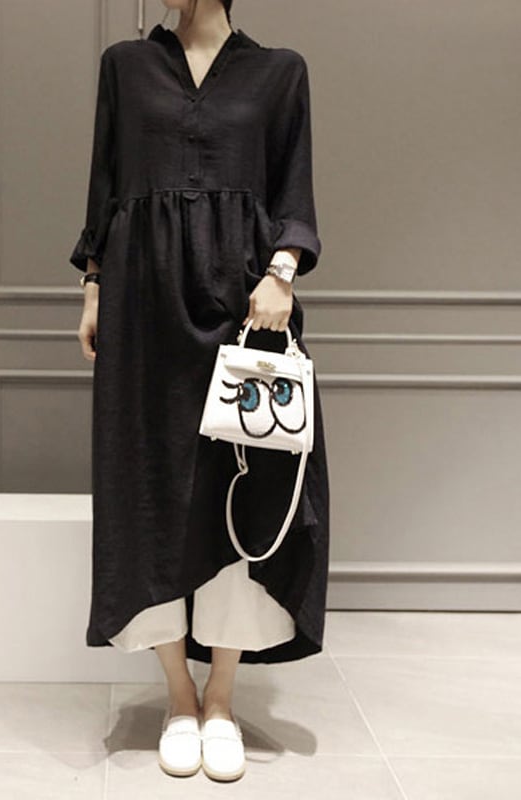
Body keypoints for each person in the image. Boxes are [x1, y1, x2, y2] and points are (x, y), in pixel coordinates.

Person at [70, 0, 330, 781]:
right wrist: (92, 288)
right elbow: (106, 184)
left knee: (239, 490)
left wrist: (282, 272)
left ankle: (220, 697)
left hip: (245, 303)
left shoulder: (279, 72)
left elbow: (294, 191)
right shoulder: (126, 65)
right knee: (146, 489)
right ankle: (178, 699)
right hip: (142, 304)